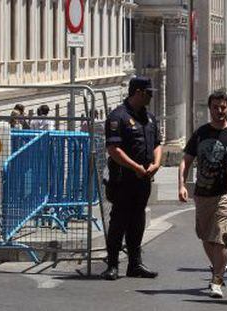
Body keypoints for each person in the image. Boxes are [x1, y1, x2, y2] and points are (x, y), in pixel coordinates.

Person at [178, 91, 227, 298]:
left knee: (222, 236)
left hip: (225, 192)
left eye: (223, 107)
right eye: (216, 107)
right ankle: (217, 269)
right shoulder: (201, 133)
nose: (220, 111)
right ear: (210, 108)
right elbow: (186, 160)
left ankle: (217, 279)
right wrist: (182, 184)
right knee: (206, 237)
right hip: (202, 193)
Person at [101, 77, 162, 281]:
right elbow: (113, 149)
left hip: (143, 179)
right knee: (119, 221)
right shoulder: (118, 117)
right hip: (123, 180)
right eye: (148, 92)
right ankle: (112, 264)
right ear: (137, 92)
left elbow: (157, 144)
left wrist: (157, 163)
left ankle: (135, 264)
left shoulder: (150, 118)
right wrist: (135, 167)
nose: (151, 96)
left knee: (138, 221)